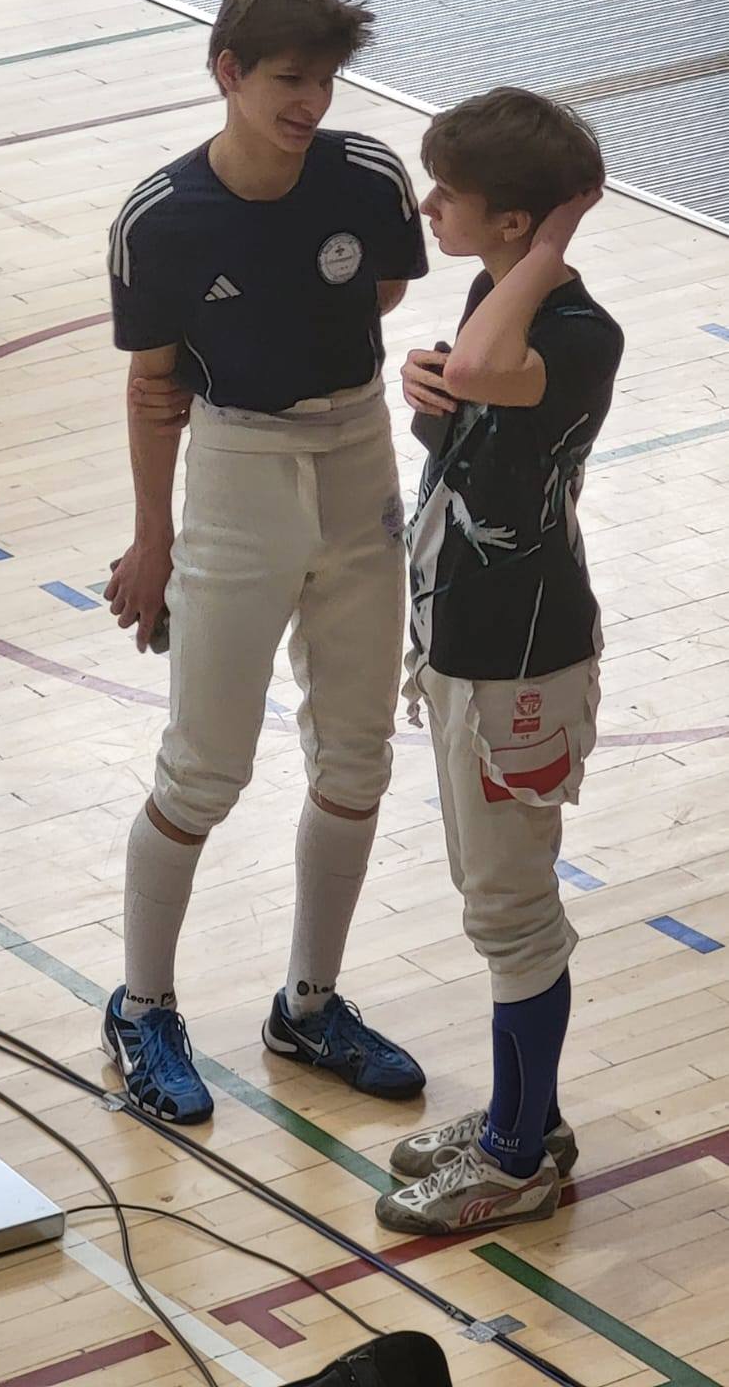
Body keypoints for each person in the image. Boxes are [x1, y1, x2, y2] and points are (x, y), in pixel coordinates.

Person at [102, 0, 429, 1124]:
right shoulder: (160, 220)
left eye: (326, 81)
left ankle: (311, 1006)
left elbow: (380, 295)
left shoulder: (369, 177)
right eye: (290, 79)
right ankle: (142, 1008)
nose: (311, 103)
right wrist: (154, 540)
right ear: (228, 72)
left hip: (360, 463)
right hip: (237, 474)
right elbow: (153, 391)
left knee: (358, 758)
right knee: (204, 767)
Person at [375, 88, 623, 1233]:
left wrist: (553, 245)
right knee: (496, 901)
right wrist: (427, 396)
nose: (429, 207)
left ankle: (517, 1160)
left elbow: (485, 372)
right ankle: (529, 1117)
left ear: (519, 222)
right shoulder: (499, 297)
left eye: (451, 193)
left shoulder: (576, 333)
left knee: (513, 912)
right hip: (466, 642)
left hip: (521, 665)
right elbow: (474, 413)